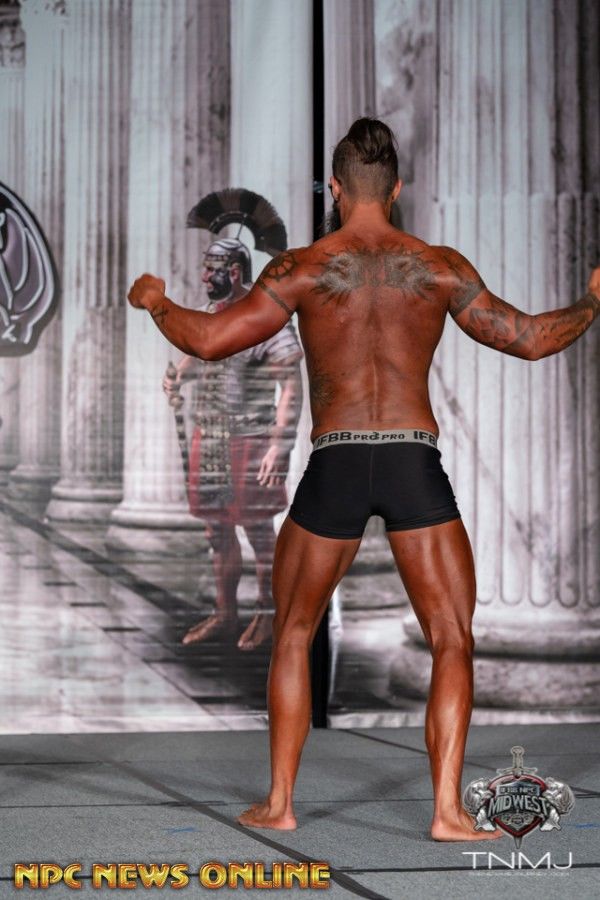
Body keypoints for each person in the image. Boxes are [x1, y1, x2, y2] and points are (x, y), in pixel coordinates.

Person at [128, 118, 600, 841]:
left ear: (335, 189)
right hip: (412, 460)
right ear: (397, 188)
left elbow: (212, 340)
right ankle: (447, 812)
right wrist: (592, 302)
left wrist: (157, 301)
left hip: (338, 460)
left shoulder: (303, 268)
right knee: (452, 638)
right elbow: (529, 339)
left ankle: (280, 803)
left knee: (293, 631)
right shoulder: (438, 266)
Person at [163, 237, 303, 650]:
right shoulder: (211, 314)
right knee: (217, 530)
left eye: (212, 270)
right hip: (210, 438)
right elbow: (198, 354)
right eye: (205, 268)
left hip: (251, 440)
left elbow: (291, 388)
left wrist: (281, 445)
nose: (204, 277)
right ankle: (225, 614)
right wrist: (177, 378)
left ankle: (268, 615)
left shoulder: (268, 318)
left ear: (236, 272)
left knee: (258, 531)